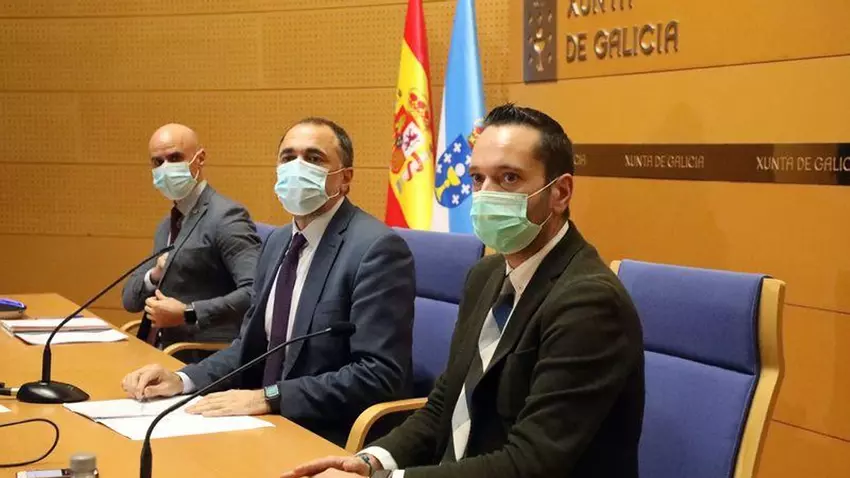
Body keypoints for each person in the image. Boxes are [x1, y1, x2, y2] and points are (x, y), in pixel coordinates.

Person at [283, 104, 645, 478]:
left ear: (561, 192)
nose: (485, 194)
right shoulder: (486, 275)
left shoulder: (589, 303)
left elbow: (533, 462)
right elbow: (445, 404)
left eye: (508, 178)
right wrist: (369, 463)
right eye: (477, 179)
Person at [120, 117, 416, 446]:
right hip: (263, 419)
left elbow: (378, 374)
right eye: (288, 157)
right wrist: (182, 379)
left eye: (314, 158)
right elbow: (249, 348)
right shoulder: (278, 242)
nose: (297, 167)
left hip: (328, 431)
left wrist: (269, 397)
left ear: (345, 178)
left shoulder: (376, 249)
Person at [122, 123, 261, 362]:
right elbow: (130, 300)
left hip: (201, 355)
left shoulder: (226, 217)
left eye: (175, 158)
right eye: (158, 162)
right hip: (157, 350)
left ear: (200, 158)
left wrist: (189, 313)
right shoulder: (167, 225)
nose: (166, 168)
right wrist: (154, 275)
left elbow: (256, 292)